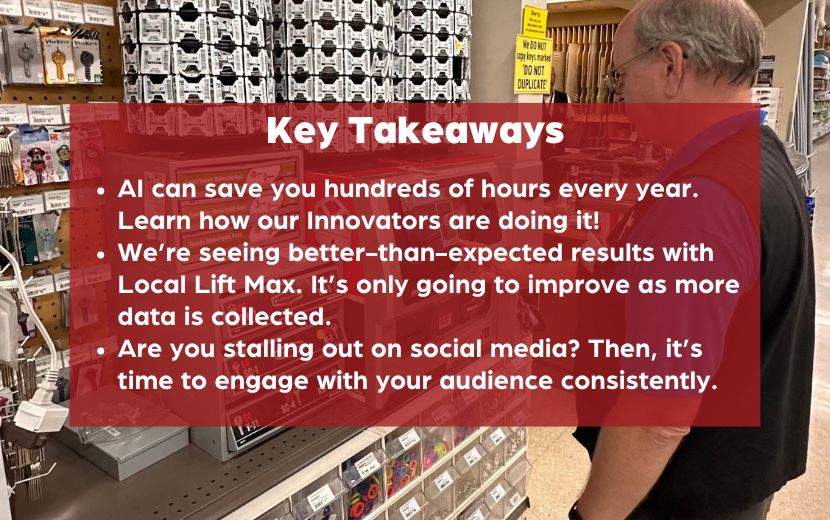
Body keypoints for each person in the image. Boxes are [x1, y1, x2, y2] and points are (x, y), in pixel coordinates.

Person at [569, 1, 816, 519]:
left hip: (682, 490)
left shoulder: (703, 201)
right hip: (737, 471)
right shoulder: (759, 151)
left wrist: (591, 515)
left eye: (620, 74)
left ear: (669, 65)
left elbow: (657, 415)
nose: (620, 95)